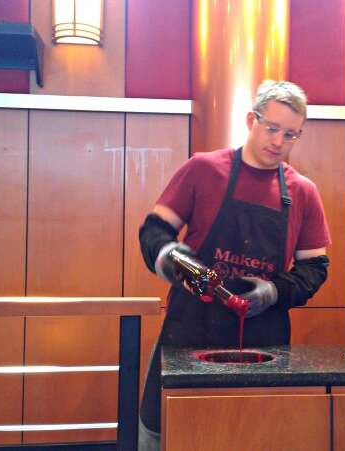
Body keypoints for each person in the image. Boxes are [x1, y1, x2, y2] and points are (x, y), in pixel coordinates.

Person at [137, 80, 332, 450]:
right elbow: (155, 231)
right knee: (165, 435)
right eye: (271, 128)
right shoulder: (203, 170)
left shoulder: (303, 192)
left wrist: (275, 291)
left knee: (254, 438)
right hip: (190, 331)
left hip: (264, 343)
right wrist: (173, 259)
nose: (278, 142)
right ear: (251, 120)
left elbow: (315, 268)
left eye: (290, 135)